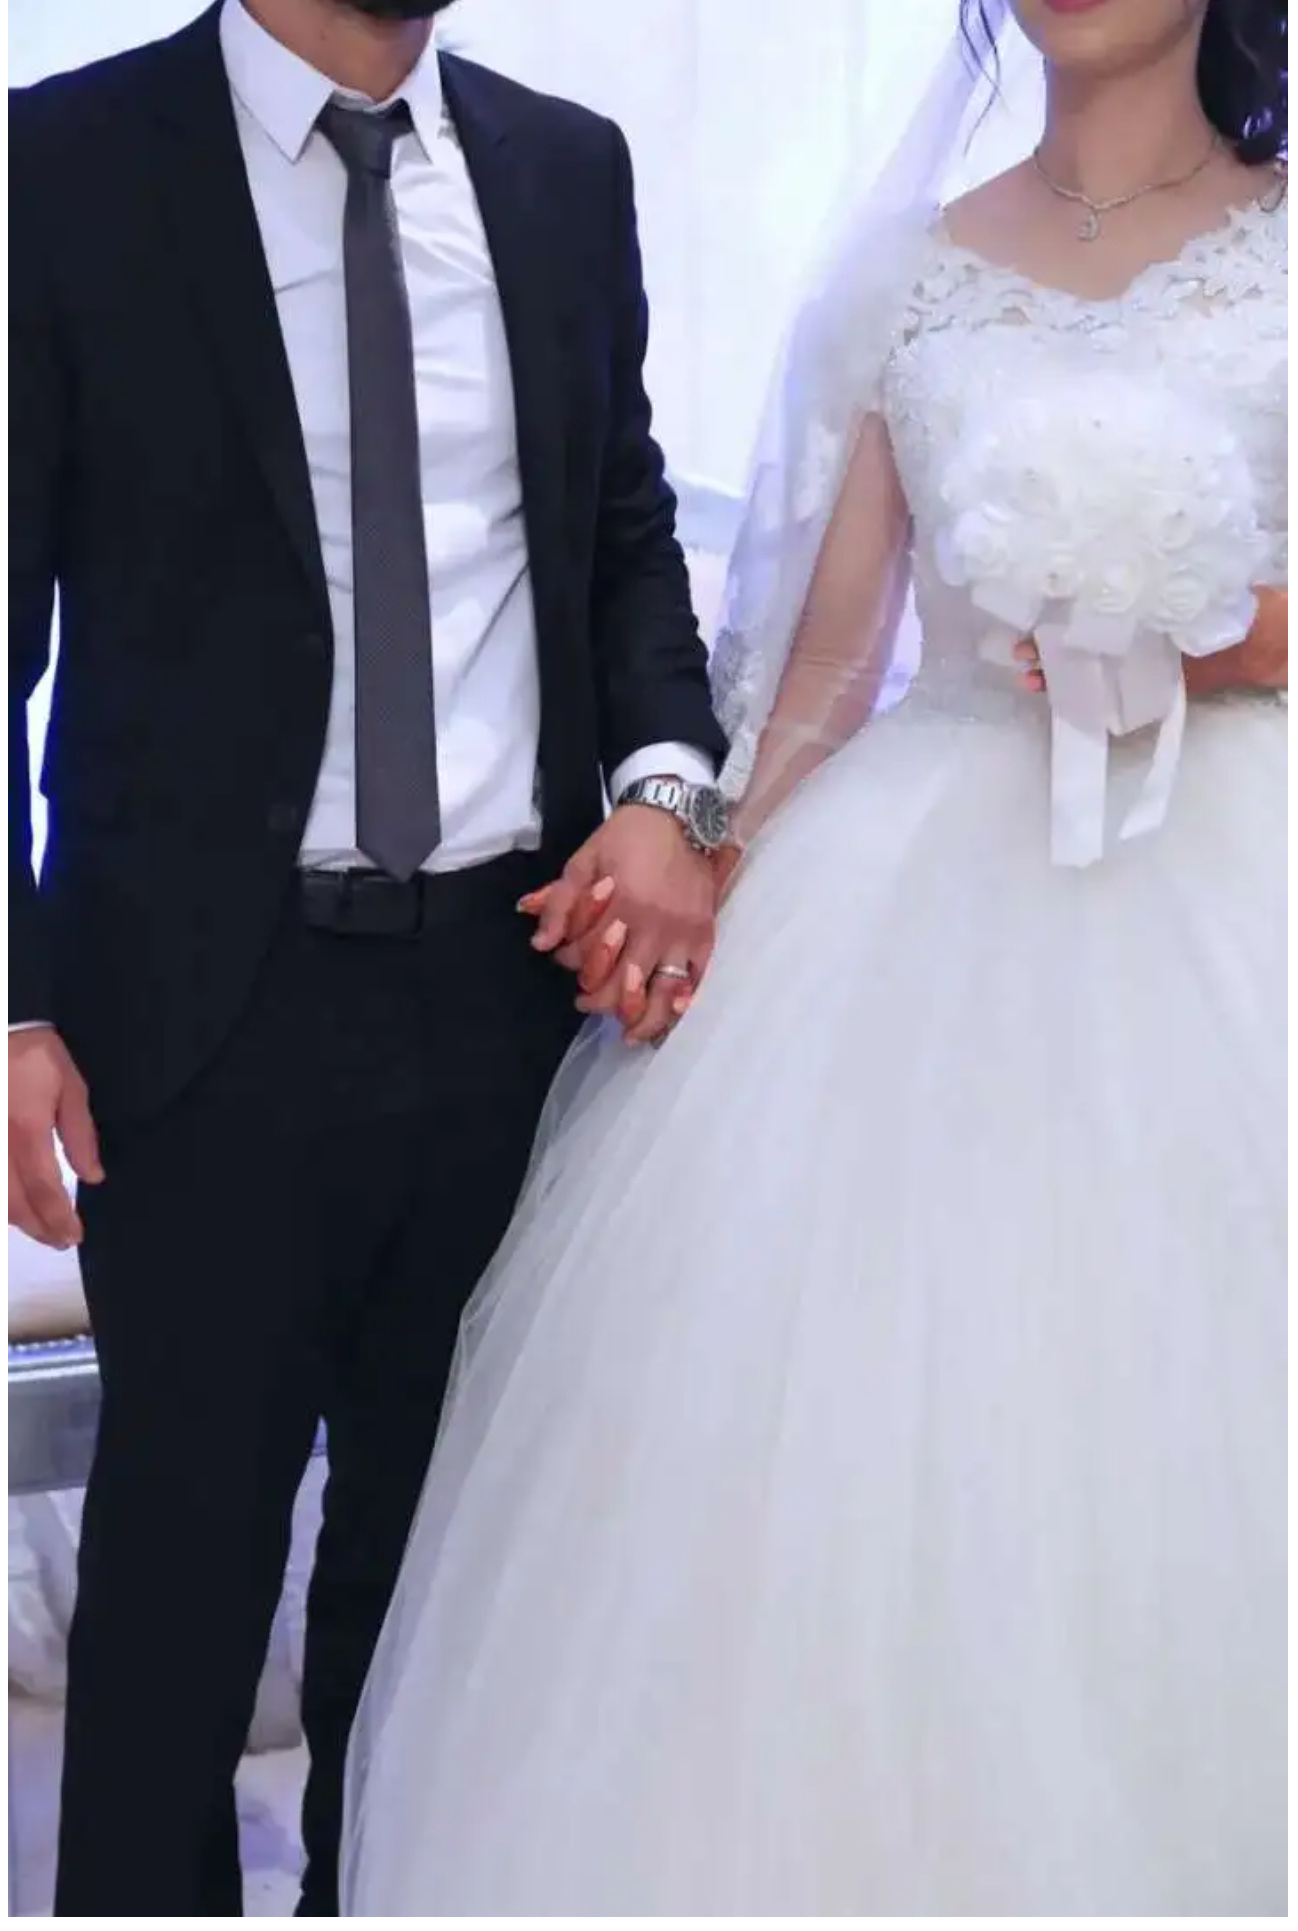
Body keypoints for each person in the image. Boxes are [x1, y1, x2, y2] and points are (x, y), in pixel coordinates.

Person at [342, 0, 1287, 1914]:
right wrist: (706, 857)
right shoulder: (913, 275)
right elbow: (829, 667)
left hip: (1230, 880)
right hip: (923, 894)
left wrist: (1193, 638)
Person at [8, 0, 728, 1913]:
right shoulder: (56, 168)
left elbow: (621, 532)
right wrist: (11, 996)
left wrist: (668, 790)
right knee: (173, 1619)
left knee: (436, 1623)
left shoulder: (563, 168)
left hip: (514, 995)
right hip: (196, 1017)